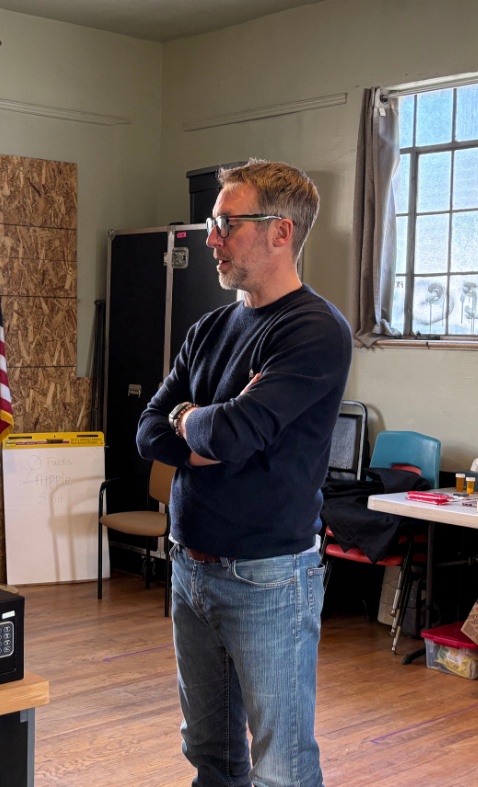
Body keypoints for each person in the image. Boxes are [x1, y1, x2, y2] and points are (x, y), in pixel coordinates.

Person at [136, 160, 352, 787]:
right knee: (211, 754)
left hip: (267, 579)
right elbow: (148, 428)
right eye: (214, 221)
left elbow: (232, 435)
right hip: (190, 569)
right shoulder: (208, 328)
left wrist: (198, 423)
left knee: (280, 766)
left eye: (226, 223)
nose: (210, 237)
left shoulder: (313, 331)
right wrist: (194, 418)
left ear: (280, 232)